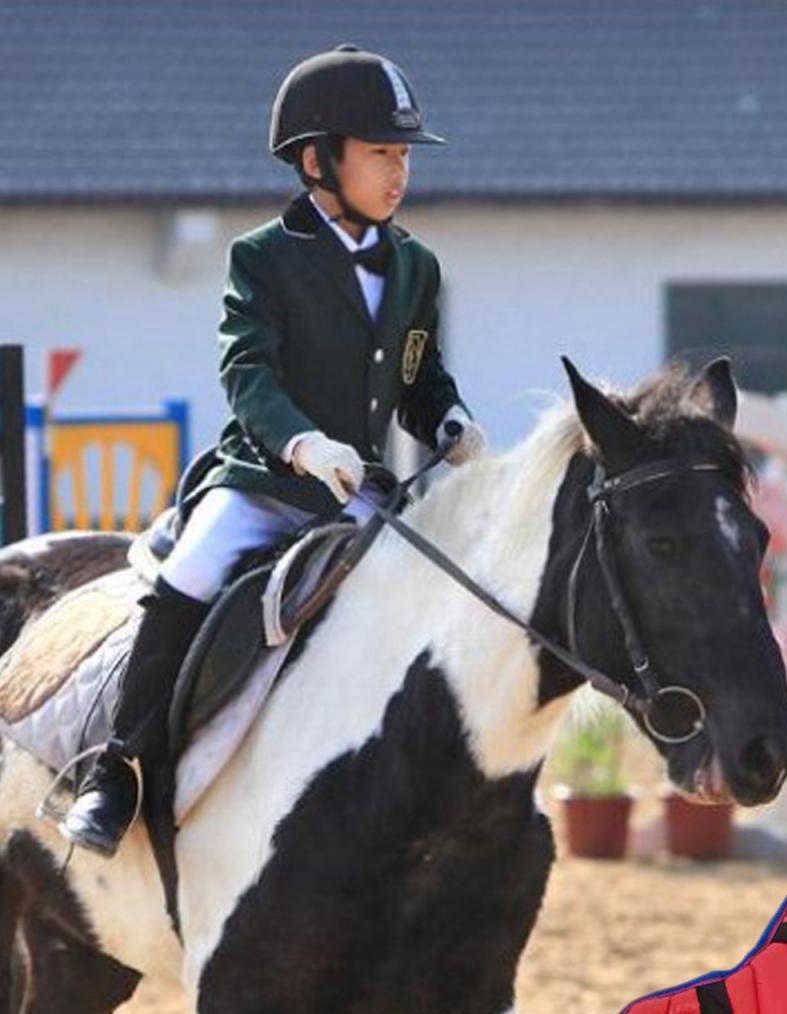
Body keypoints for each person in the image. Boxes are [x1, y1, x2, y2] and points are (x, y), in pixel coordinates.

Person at [62, 44, 486, 857]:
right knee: (189, 573)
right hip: (264, 480)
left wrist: (450, 421)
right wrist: (299, 441)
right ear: (317, 159)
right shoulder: (262, 258)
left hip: (360, 489)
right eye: (381, 154)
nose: (399, 174)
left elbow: (418, 373)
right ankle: (118, 770)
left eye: (403, 156)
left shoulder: (416, 266)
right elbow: (246, 370)